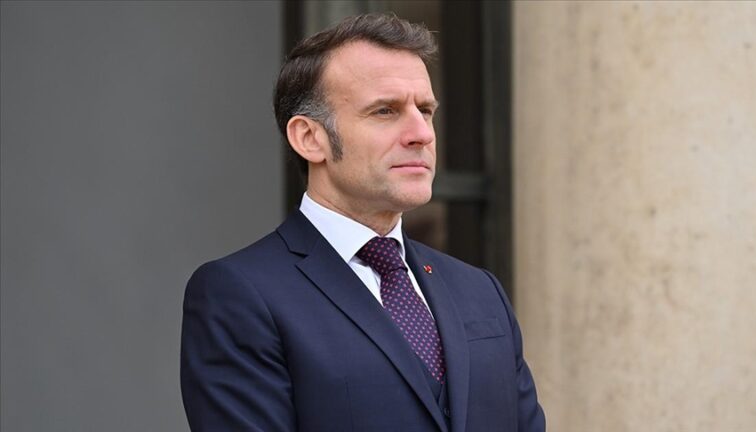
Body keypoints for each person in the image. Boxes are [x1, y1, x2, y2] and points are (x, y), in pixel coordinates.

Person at [180, 13, 545, 432]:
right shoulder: (239, 295)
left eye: (425, 110)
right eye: (385, 111)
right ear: (309, 138)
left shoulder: (481, 291)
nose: (422, 134)